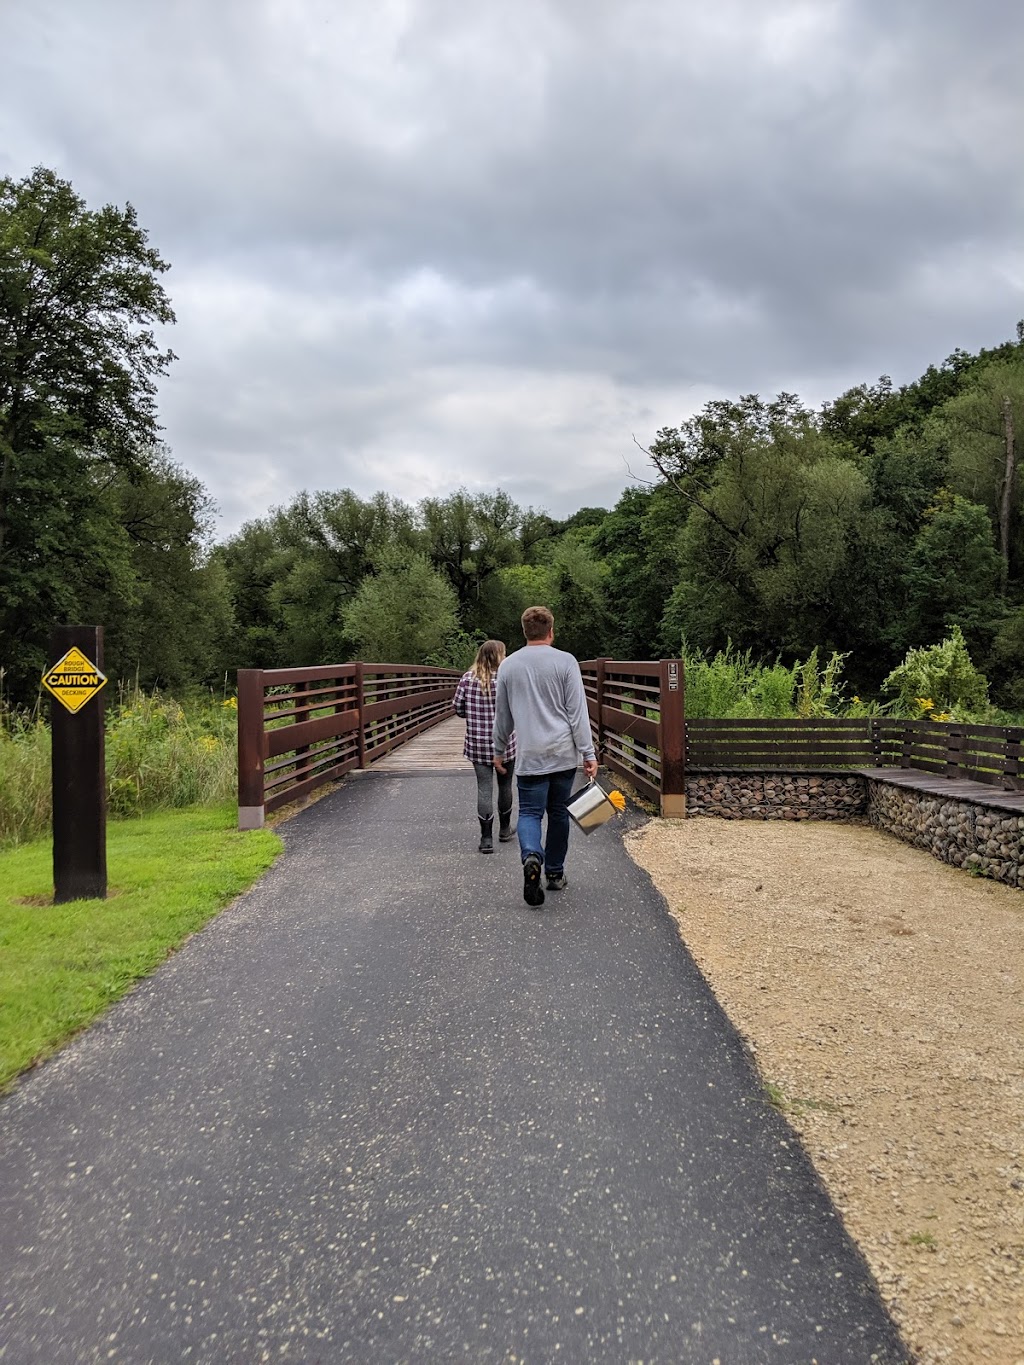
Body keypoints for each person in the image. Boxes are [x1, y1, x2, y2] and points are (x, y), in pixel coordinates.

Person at [493, 606, 598, 907]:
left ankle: (531, 857)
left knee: (529, 813)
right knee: (559, 813)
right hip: (563, 753)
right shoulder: (566, 662)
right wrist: (587, 752)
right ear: (551, 631)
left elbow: (504, 716)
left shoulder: (509, 666)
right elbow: (577, 713)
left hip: (530, 755)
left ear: (525, 632)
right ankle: (554, 873)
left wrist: (499, 750)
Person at [453, 640, 517, 853]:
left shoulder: (467, 679)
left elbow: (458, 709)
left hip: (478, 745)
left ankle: (486, 839)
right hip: (505, 745)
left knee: (484, 789)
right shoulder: (507, 679)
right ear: (500, 657)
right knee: (506, 786)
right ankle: (505, 830)